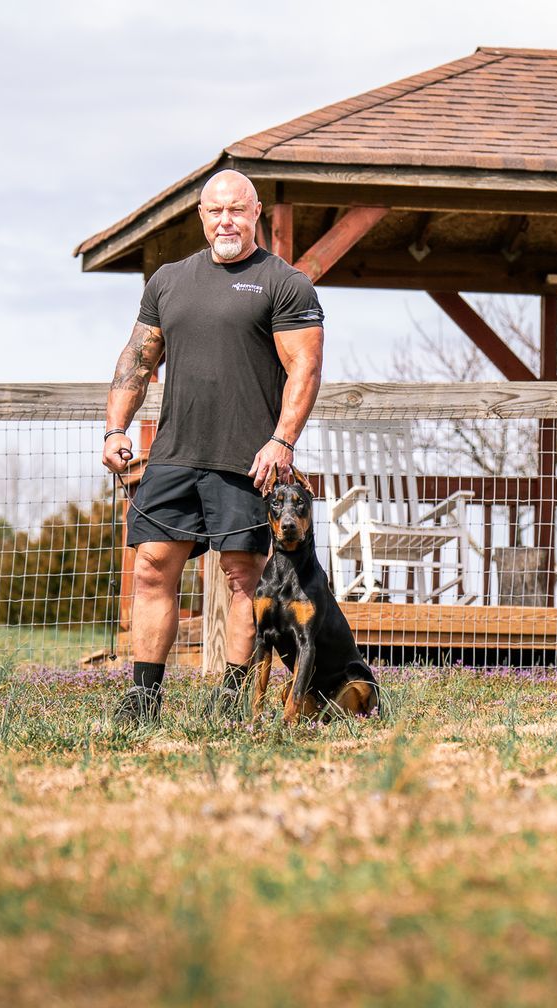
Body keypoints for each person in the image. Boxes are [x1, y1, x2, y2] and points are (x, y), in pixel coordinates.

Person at [101, 169, 324, 723]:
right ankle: (144, 701)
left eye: (237, 210)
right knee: (152, 569)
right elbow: (138, 357)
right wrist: (115, 429)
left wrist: (281, 441)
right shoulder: (168, 281)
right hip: (174, 453)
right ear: (201, 217)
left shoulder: (284, 282)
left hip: (247, 459)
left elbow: (306, 367)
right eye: (214, 211)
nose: (226, 220)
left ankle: (231, 702)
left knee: (243, 578)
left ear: (256, 215)